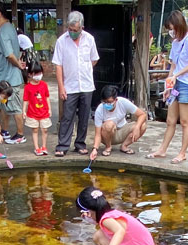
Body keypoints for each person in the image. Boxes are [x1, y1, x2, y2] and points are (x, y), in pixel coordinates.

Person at [76, 185, 156, 245]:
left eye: (83, 213)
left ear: (88, 212)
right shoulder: (110, 215)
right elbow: (107, 238)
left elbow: (120, 231)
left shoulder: (106, 219)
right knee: (98, 236)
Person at [148, 11, 188, 163]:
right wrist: (168, 85)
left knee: (184, 121)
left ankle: (182, 153)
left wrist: (177, 75)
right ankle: (162, 150)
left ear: (179, 25)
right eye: (169, 29)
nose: (171, 32)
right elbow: (173, 65)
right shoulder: (175, 43)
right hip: (175, 84)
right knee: (170, 120)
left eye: (172, 28)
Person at [53, 11, 99, 157]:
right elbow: (58, 65)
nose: (72, 32)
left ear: (82, 28)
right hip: (69, 85)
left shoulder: (90, 39)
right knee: (67, 116)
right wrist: (61, 86)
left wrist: (84, 69)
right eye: (70, 30)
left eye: (75, 30)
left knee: (84, 117)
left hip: (86, 85)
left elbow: (94, 59)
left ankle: (80, 144)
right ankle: (62, 145)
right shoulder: (61, 41)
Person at [0, 2, 27, 145]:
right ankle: (4, 130)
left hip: (9, 77)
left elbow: (9, 55)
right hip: (5, 77)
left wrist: (19, 66)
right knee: (4, 105)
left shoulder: (4, 31)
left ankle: (20, 134)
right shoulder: (9, 28)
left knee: (14, 106)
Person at [90, 85, 148, 159]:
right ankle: (108, 147)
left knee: (142, 125)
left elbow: (142, 114)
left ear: (116, 100)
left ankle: (124, 146)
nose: (107, 104)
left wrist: (137, 127)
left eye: (110, 102)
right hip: (107, 135)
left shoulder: (123, 102)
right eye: (105, 102)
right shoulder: (99, 109)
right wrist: (95, 149)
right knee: (109, 124)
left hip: (122, 131)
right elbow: (97, 134)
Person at [23, 60, 51, 156]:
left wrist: (49, 109)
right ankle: (36, 147)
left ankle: (44, 146)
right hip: (32, 112)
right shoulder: (27, 87)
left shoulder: (44, 85)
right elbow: (25, 100)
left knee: (45, 129)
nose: (38, 76)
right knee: (35, 129)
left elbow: (47, 97)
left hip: (43, 111)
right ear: (30, 74)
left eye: (40, 73)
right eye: (36, 73)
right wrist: (24, 111)